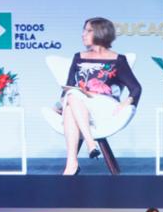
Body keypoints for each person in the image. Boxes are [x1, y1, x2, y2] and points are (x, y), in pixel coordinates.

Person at [59, 17, 142, 176]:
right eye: (83, 30)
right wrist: (60, 103)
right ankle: (73, 163)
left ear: (100, 32)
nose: (83, 34)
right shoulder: (78, 57)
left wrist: (126, 103)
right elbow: (68, 86)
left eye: (88, 30)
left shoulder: (118, 60)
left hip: (104, 106)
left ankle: (88, 146)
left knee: (72, 98)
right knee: (71, 100)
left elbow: (136, 88)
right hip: (79, 104)